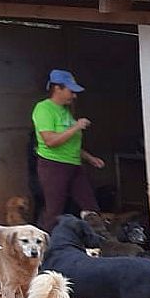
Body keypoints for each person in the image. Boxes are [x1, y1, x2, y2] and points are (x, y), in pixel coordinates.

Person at [32, 69, 105, 232]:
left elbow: (68, 142)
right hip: (53, 166)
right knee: (54, 210)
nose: (74, 96)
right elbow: (50, 141)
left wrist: (89, 157)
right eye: (71, 91)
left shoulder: (65, 111)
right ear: (58, 88)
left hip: (73, 165)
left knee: (90, 206)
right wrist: (76, 126)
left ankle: (97, 244)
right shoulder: (44, 109)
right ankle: (46, 247)